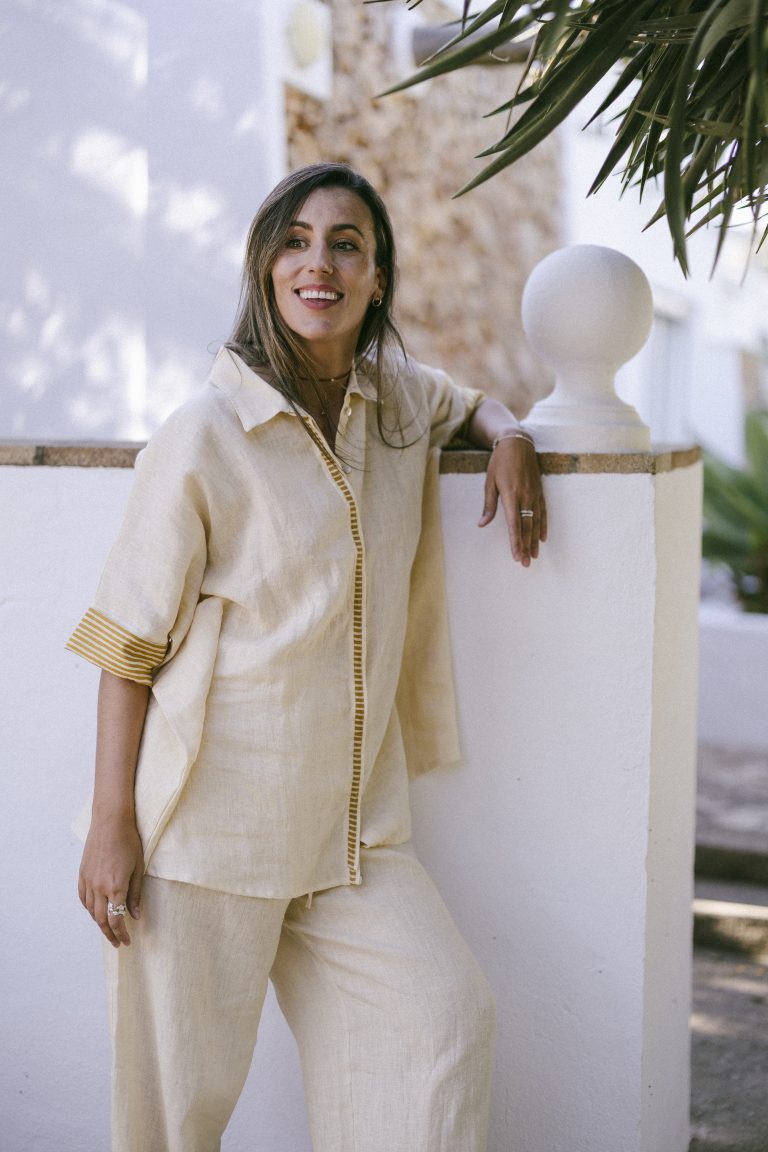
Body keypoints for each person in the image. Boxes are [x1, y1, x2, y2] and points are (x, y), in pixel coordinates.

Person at [67, 162, 546, 1152]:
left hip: (353, 840)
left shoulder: (394, 406)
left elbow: (462, 399)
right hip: (206, 836)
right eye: (294, 242)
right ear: (264, 268)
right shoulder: (205, 435)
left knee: (445, 1027)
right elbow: (126, 643)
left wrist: (508, 434)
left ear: (378, 277)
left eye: (345, 244)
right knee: (172, 1120)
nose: (317, 263)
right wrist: (112, 823)